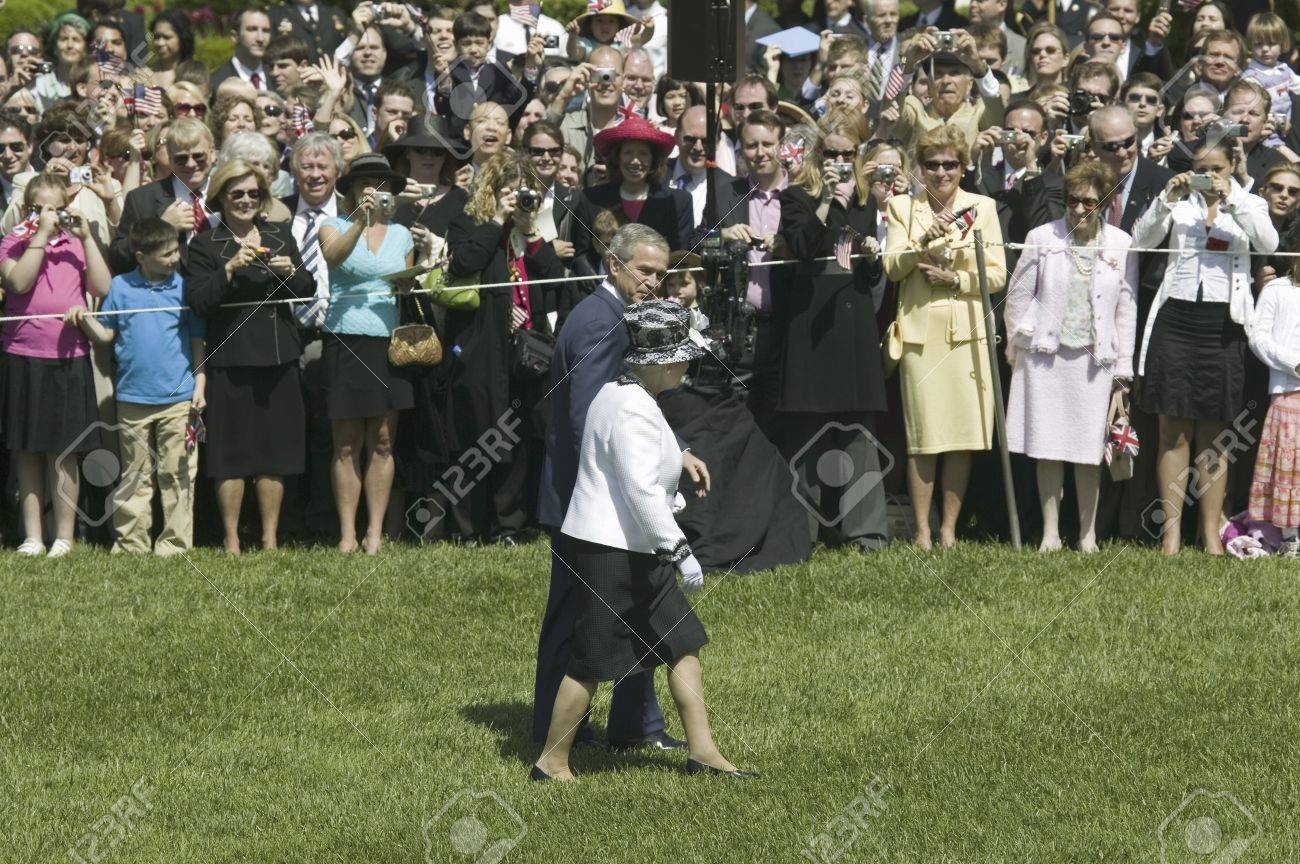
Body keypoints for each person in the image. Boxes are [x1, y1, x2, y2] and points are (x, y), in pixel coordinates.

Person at [532, 299, 754, 783]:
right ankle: (551, 762)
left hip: (632, 547)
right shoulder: (631, 405)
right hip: (610, 551)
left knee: (682, 644)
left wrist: (679, 457)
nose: (691, 363)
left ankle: (704, 753)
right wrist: (678, 549)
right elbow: (639, 489)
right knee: (591, 660)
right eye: (686, 355)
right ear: (667, 360)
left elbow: (647, 456)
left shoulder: (624, 394)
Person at [534, 223, 710, 753]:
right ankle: (555, 735)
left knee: (635, 613)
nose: (655, 282)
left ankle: (635, 727)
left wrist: (671, 448)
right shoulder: (598, 323)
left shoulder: (617, 315)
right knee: (574, 625)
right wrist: (655, 463)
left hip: (603, 501)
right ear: (614, 263)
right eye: (645, 271)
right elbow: (593, 416)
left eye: (662, 272)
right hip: (588, 505)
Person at [1133, 140, 1279, 555]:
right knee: (1172, 430)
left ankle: (1210, 532)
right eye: (1201, 168)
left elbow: (1267, 244)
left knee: (1216, 434)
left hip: (1224, 325)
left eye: (1217, 168)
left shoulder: (1249, 203)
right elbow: (1140, 241)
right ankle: (1172, 533)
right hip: (1175, 320)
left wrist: (1231, 197)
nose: (1209, 176)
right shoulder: (1179, 204)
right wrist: (1166, 197)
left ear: (1233, 166)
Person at [183, 158, 317, 554]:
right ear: (221, 197)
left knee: (275, 452)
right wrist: (228, 269)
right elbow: (198, 302)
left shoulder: (279, 233)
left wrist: (288, 270)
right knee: (230, 454)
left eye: (253, 194)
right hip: (230, 360)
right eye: (236, 193)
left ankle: (270, 537)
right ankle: (230, 539)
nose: (245, 200)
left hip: (279, 357)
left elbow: (306, 290)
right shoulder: (206, 243)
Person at [883, 123, 1007, 550]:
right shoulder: (902, 206)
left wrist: (955, 279)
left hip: (967, 331)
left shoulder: (983, 207)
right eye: (932, 164)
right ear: (920, 167)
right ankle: (921, 531)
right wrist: (921, 243)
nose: (941, 173)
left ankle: (949, 530)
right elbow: (892, 268)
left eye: (950, 164)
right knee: (924, 437)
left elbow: (997, 273)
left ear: (964, 166)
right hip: (920, 333)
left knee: (962, 435)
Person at [1005, 162, 1138, 553]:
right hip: (1046, 356)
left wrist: (1124, 371)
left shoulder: (1121, 243)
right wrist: (1020, 338)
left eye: (1090, 202)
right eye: (1073, 201)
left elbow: (1126, 309)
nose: (1080, 209)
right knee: (1046, 446)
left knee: (1087, 450)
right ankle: (1049, 533)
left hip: (1095, 361)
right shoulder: (1041, 236)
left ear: (1105, 203)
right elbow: (1017, 294)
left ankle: (1087, 534)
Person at [776, 109, 891, 549]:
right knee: (807, 431)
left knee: (859, 431)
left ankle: (866, 533)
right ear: (818, 155)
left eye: (848, 154)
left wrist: (874, 256)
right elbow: (804, 246)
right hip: (810, 327)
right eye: (831, 153)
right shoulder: (798, 198)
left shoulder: (868, 202)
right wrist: (830, 202)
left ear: (859, 157)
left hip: (853, 325)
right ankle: (801, 533)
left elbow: (867, 277)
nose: (840, 162)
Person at [63, 218, 207, 555]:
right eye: (167, 254)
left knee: (177, 473)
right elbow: (106, 336)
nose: (175, 258)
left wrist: (200, 382)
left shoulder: (185, 287)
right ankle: (131, 544)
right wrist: (83, 318)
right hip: (131, 398)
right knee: (135, 476)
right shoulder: (120, 288)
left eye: (176, 251)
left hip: (178, 398)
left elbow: (198, 341)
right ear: (141, 256)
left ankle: (174, 544)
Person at [444, 151, 563, 542]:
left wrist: (530, 231)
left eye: (522, 191)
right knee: (478, 433)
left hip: (528, 350)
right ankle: (468, 526)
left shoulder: (532, 226)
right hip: (482, 347)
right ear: (492, 192)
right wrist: (497, 221)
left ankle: (508, 525)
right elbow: (464, 263)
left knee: (520, 434)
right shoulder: (471, 222)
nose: (516, 198)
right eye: (508, 191)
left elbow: (554, 275)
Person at [317, 153, 426, 555]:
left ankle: (374, 533)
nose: (373, 189)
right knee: (345, 442)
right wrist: (360, 222)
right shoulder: (332, 225)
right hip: (345, 338)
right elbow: (332, 257)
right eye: (365, 182)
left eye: (381, 183)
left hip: (387, 339)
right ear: (351, 191)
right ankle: (347, 534)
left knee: (382, 440)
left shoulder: (402, 235)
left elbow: (405, 287)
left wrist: (413, 280)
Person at [0, 173, 111, 557]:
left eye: (57, 208)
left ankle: (64, 535)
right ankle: (33, 536)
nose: (50, 215)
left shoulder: (75, 243)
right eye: (40, 208)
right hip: (23, 355)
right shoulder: (13, 241)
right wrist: (40, 237)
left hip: (68, 357)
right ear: (28, 209)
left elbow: (102, 286)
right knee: (27, 449)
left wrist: (86, 237)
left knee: (64, 451)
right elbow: (17, 284)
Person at [570, 115, 693, 276]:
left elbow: (678, 256)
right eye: (628, 152)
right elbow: (581, 254)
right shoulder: (591, 199)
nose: (635, 160)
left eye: (643, 153)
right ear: (617, 157)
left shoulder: (677, 202)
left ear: (653, 159)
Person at [108, 117, 215, 274]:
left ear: (212, 154)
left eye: (198, 156)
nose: (191, 164)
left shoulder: (232, 193)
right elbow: (118, 259)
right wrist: (161, 227)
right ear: (170, 160)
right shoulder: (142, 199)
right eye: (181, 158)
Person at [1246, 268, 1300, 557]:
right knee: (1289, 471)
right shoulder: (1277, 289)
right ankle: (1291, 536)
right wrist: (1295, 363)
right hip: (1289, 391)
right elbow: (1258, 338)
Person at [894, 32, 1005, 153]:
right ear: (929, 84)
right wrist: (907, 62)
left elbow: (997, 116)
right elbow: (891, 114)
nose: (946, 81)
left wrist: (978, 66)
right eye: (938, 74)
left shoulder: (978, 113)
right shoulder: (915, 111)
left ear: (969, 84)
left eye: (954, 73)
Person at [210, 7, 273, 92]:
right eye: (252, 29)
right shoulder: (216, 82)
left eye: (265, 31)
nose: (260, 38)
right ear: (235, 36)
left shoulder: (277, 78)